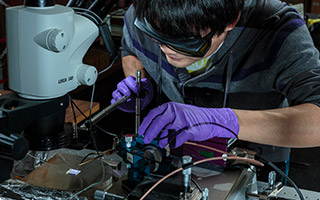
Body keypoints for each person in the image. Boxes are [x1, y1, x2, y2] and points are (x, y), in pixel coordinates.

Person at [111, 0, 320, 180]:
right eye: (156, 37)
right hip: (173, 153)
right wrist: (137, 82)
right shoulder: (144, 12)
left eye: (184, 42)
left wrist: (222, 121)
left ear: (231, 21)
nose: (166, 50)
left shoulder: (279, 29)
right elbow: (131, 49)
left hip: (254, 161)